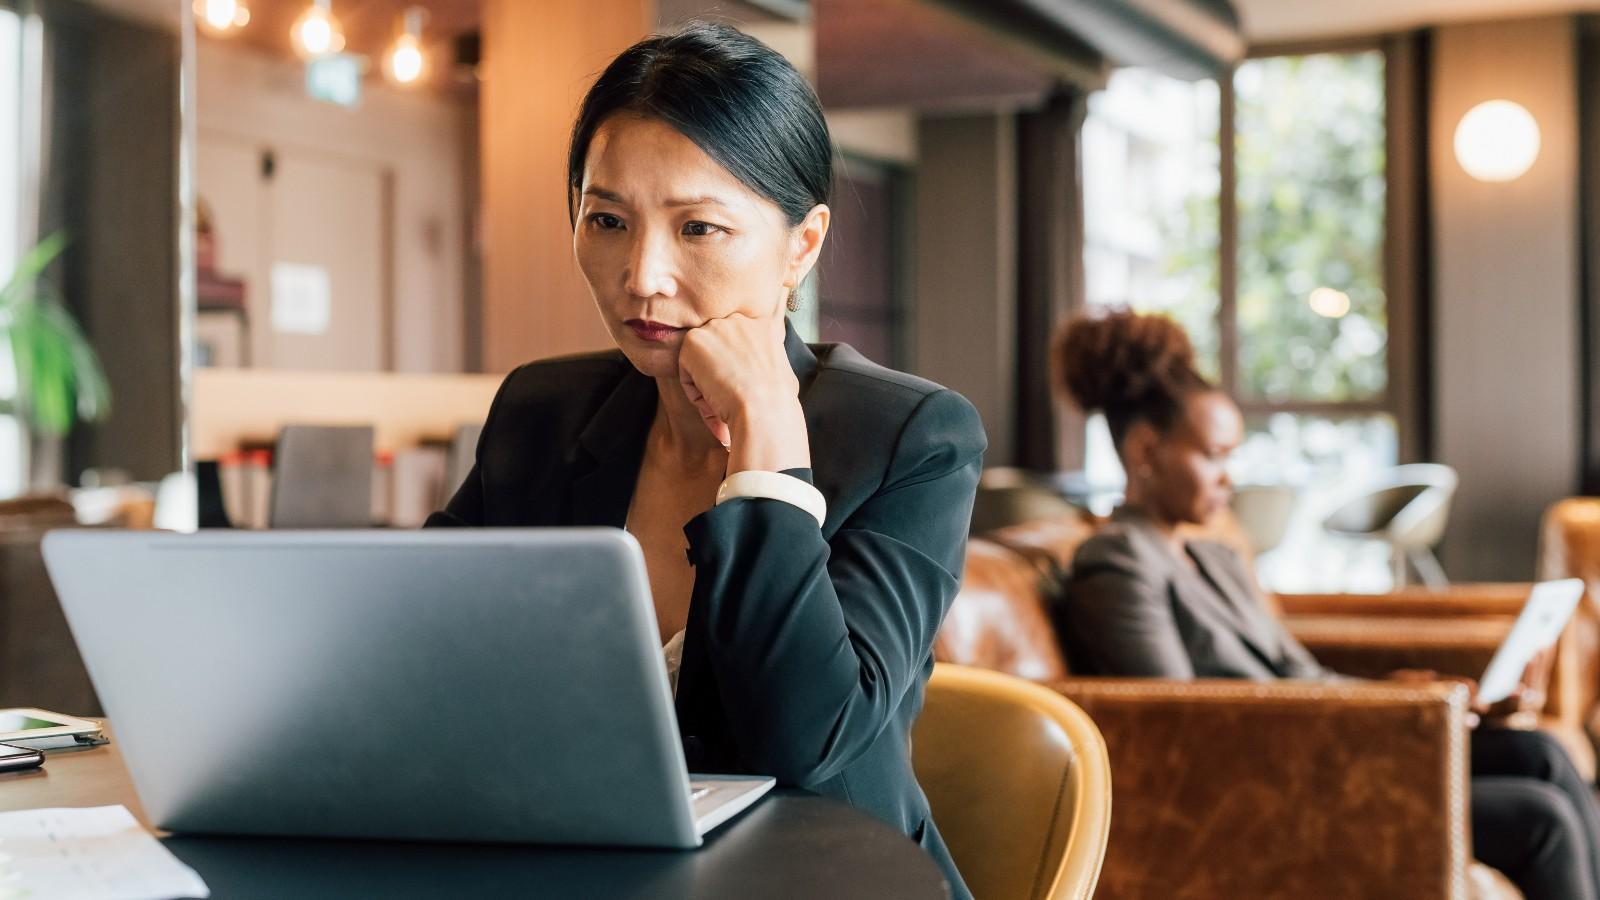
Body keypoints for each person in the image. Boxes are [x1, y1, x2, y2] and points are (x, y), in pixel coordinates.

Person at [427, 23, 983, 898]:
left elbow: (808, 744)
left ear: (801, 244)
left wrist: (766, 446)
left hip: (827, 881)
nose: (642, 275)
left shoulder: (914, 439)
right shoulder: (542, 412)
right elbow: (416, 649)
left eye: (700, 228)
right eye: (607, 220)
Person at [1053, 308, 1600, 900]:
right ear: (1145, 449)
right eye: (1213, 455)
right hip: (1273, 775)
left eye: (1233, 456)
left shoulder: (1213, 556)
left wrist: (1412, 694)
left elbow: (1298, 674)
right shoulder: (1116, 561)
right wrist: (1386, 714)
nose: (1228, 478)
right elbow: (1182, 722)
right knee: (1538, 818)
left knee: (1537, 749)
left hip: (1321, 740)